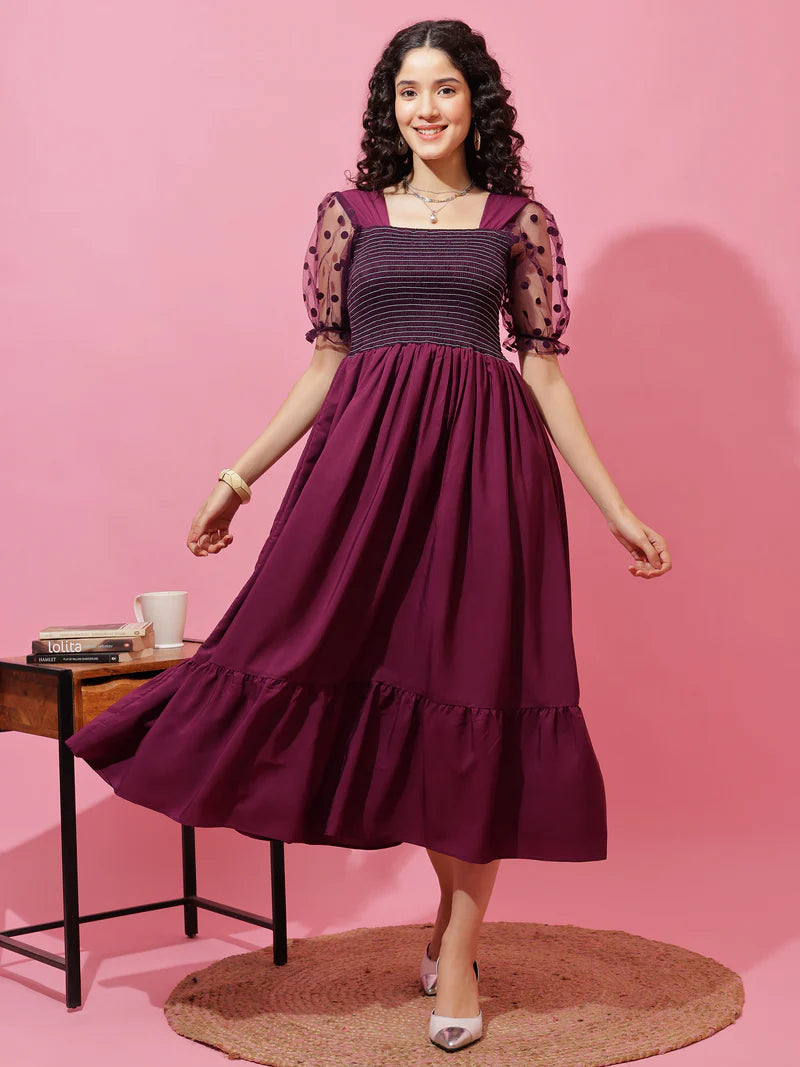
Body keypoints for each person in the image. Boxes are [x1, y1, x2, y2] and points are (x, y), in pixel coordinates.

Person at [66, 18, 672, 1054]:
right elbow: (324, 363)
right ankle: (448, 927)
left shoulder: (517, 220)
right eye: (405, 93)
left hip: (489, 480)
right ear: (387, 109)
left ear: (476, 101)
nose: (424, 109)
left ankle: (461, 946)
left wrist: (614, 505)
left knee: (477, 693)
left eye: (442, 89)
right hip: (362, 476)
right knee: (307, 646)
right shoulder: (346, 216)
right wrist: (236, 478)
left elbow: (539, 368)